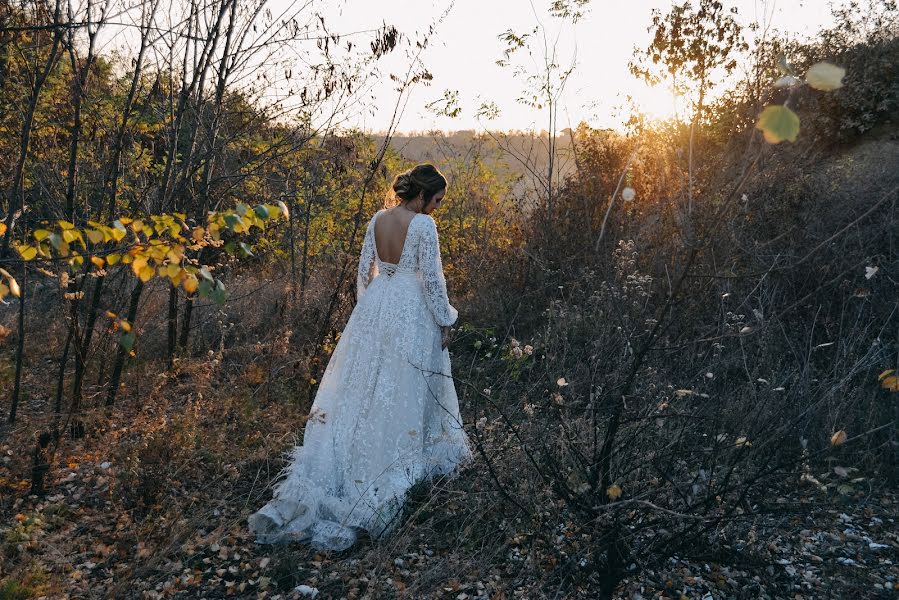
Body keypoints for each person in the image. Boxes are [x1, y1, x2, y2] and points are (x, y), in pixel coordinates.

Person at [248, 164, 473, 551]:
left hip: (377, 305)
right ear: (424, 195)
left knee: (366, 387)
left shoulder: (377, 219)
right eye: (437, 201)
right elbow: (434, 281)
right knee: (403, 385)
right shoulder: (423, 226)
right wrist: (446, 320)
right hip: (410, 311)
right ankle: (389, 463)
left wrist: (369, 312)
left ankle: (354, 454)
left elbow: (363, 275)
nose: (437, 208)